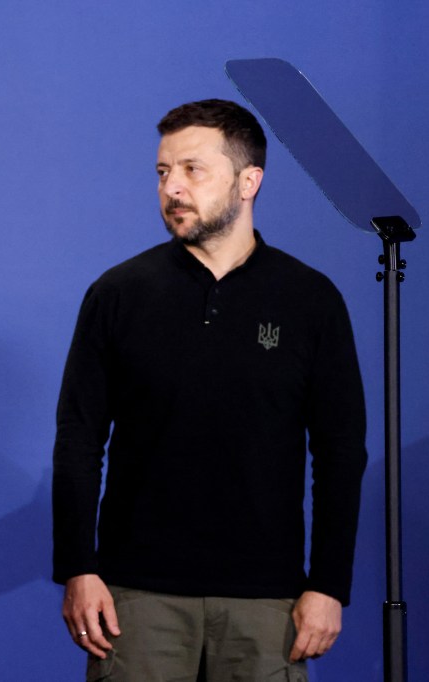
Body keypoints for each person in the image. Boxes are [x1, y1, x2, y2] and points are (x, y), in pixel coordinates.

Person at [52, 99, 367, 680]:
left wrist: (329, 584)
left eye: (192, 169)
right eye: (162, 172)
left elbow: (340, 453)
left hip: (268, 601)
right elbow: (78, 439)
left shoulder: (310, 300)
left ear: (250, 180)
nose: (172, 186)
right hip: (135, 599)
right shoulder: (118, 293)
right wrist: (78, 567)